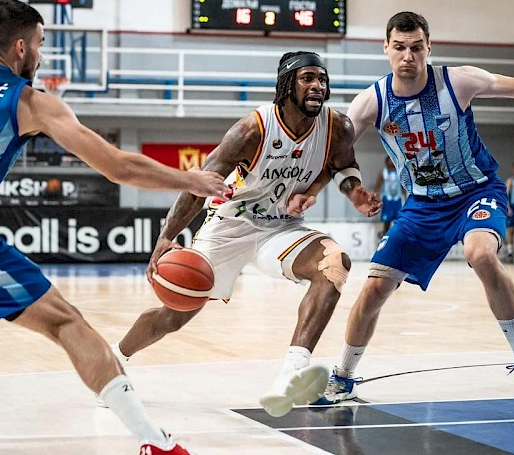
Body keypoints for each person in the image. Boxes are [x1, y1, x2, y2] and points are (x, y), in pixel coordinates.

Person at [0, 0, 229, 455]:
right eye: (40, 44)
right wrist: (190, 179)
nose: (40, 56)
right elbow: (118, 167)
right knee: (66, 323)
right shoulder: (29, 100)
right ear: (20, 48)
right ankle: (153, 443)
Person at [301, 11, 514, 405]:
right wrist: (319, 190)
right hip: (421, 206)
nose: (408, 57)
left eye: (417, 47)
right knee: (375, 290)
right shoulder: (371, 101)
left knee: (480, 253)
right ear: (386, 49)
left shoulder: (457, 81)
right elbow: (335, 151)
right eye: (399, 48)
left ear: (428, 48)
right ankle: (343, 375)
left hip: (476, 191)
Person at [110, 51, 381, 418]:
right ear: (287, 85)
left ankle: (291, 375)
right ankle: (111, 362)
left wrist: (354, 192)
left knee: (334, 264)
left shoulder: (338, 127)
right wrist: (166, 237)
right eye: (308, 78)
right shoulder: (251, 130)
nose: (318, 85)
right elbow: (197, 186)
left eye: (322, 78)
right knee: (174, 314)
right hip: (229, 224)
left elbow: (342, 164)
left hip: (281, 227)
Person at [375, 156, 406, 235]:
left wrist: (405, 199)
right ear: (386, 161)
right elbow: (378, 186)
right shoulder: (383, 172)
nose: (391, 162)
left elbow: (403, 187)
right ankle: (385, 235)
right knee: (387, 221)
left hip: (397, 199)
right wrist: (377, 197)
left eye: (392, 160)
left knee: (398, 221)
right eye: (389, 160)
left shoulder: (400, 173)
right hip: (387, 199)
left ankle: (397, 237)